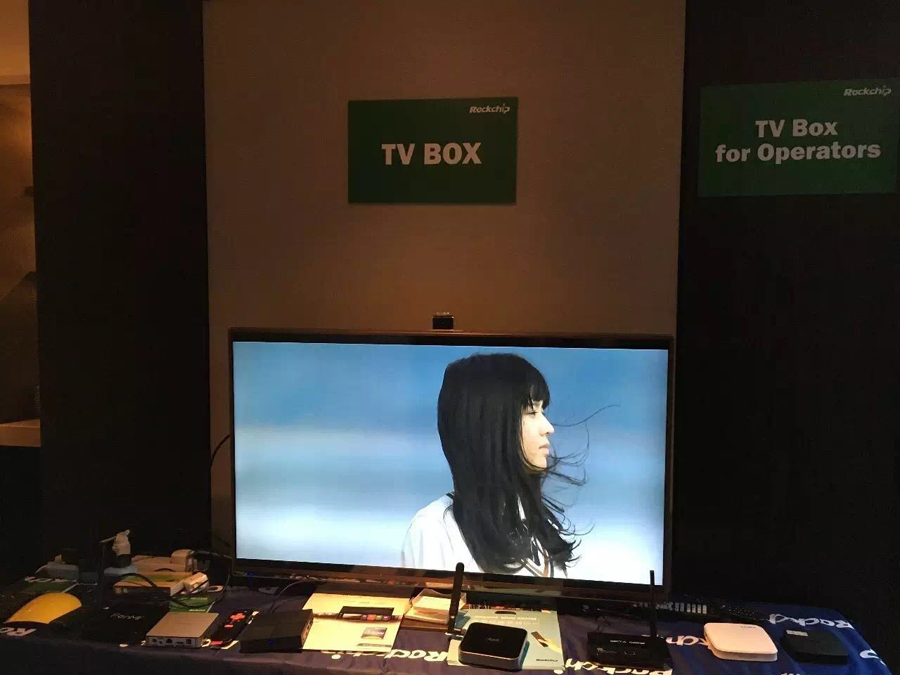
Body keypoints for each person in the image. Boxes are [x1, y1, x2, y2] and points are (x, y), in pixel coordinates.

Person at [400, 353, 581, 577]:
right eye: (531, 411)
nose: (548, 427)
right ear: (489, 423)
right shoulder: (434, 530)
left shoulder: (540, 529)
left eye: (542, 411)